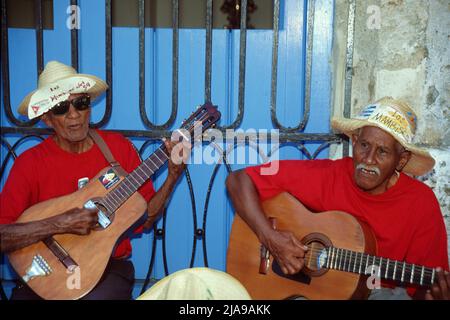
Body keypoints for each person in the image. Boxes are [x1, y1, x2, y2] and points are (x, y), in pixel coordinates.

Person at [226, 97, 449, 300]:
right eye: (364, 146)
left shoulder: (420, 204)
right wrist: (271, 239)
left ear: (401, 160)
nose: (368, 160)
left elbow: (425, 290)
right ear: (354, 141)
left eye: (382, 152)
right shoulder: (328, 175)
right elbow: (238, 180)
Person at [0, 60, 187, 300]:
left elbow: (147, 217)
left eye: (81, 103)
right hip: (44, 276)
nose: (74, 114)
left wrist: (172, 176)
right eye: (60, 108)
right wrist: (59, 224)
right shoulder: (30, 163)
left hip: (108, 269)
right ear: (47, 118)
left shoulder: (118, 150)